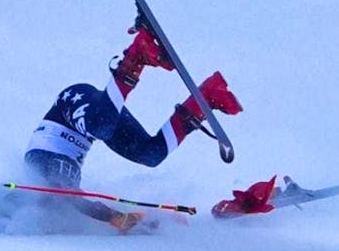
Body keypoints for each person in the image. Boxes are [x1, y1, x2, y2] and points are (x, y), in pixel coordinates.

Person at [24, 16, 243, 233]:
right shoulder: (67, 196)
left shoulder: (39, 172)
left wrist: (117, 218)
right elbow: (79, 201)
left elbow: (71, 197)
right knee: (151, 155)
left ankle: (136, 55)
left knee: (100, 127)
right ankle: (205, 99)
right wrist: (142, 223)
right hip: (100, 120)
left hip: (72, 105)